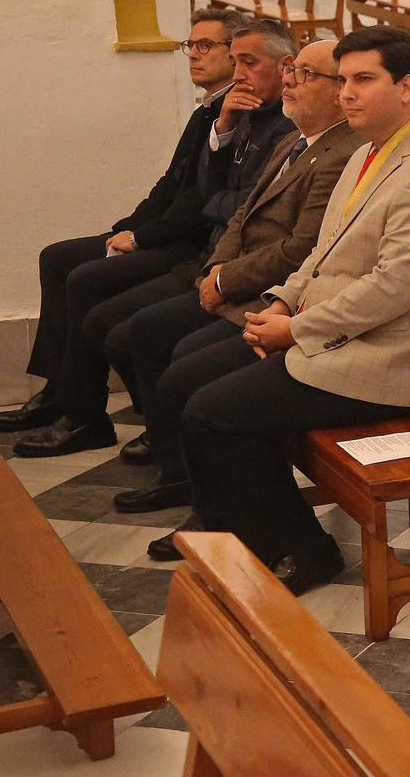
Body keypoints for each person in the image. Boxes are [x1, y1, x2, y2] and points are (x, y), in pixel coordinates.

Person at [149, 26, 410, 585]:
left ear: (406, 87)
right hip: (333, 334)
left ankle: (304, 548)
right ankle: (225, 519)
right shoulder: (368, 151)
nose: (347, 92)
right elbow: (322, 252)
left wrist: (296, 331)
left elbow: (392, 289)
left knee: (216, 412)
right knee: (185, 379)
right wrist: (281, 303)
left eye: (363, 79)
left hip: (389, 360)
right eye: (344, 80)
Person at [8, 19, 298, 457]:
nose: (195, 54)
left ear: (283, 65)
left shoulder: (277, 123)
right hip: (209, 244)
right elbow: (180, 184)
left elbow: (222, 203)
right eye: (191, 44)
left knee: (96, 295)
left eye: (208, 46)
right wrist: (128, 227)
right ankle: (66, 395)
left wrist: (144, 237)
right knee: (60, 260)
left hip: (200, 246)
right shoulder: (225, 112)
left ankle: (108, 417)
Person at [106, 39, 364, 515]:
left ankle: (198, 486)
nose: (290, 81)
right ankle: (181, 471)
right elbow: (242, 213)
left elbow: (301, 249)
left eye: (305, 74)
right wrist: (216, 271)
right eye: (291, 70)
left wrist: (227, 282)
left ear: (338, 91)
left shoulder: (343, 153)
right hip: (239, 279)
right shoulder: (294, 139)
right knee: (145, 332)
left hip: (271, 294)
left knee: (183, 364)